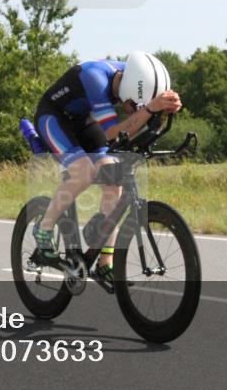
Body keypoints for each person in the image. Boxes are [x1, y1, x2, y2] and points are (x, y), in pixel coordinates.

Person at [31, 52, 182, 281]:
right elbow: (111, 134)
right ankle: (43, 230)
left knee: (114, 180)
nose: (134, 110)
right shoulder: (95, 77)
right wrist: (149, 109)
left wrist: (166, 107)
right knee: (83, 173)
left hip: (83, 119)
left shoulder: (134, 75)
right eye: (135, 105)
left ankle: (104, 262)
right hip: (53, 117)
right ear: (128, 90)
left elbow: (125, 128)